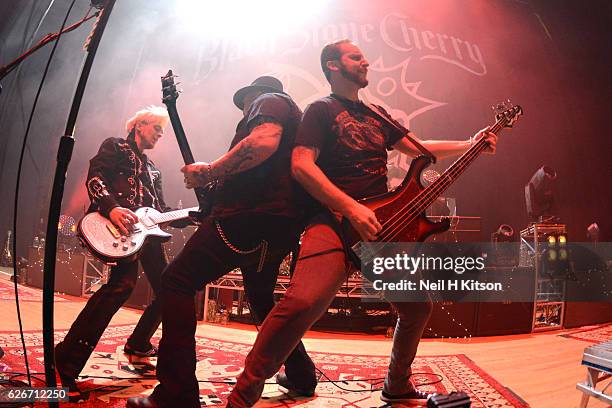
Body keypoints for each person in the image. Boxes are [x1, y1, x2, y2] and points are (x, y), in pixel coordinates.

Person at [227, 39, 498, 407]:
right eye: (356, 57)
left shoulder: (378, 114)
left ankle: (397, 385)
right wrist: (350, 208)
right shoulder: (320, 110)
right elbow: (301, 165)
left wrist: (471, 142)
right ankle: (242, 396)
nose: (365, 61)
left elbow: (420, 147)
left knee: (417, 307)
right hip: (334, 219)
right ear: (334, 66)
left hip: (380, 226)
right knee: (303, 301)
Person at [126, 76, 316, 408]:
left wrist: (209, 171)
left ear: (253, 98)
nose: (244, 112)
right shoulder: (292, 118)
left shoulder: (268, 100)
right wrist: (210, 204)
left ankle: (176, 395)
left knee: (176, 282)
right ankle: (301, 375)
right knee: (260, 298)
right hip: (276, 228)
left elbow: (262, 144)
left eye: (245, 104)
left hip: (246, 221)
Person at [55, 105, 178, 400]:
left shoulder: (153, 170)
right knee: (122, 286)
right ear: (140, 125)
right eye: (157, 129)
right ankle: (66, 358)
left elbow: (160, 211)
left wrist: (194, 214)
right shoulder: (115, 146)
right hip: (118, 227)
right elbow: (95, 179)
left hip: (146, 234)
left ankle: (139, 343)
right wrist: (112, 208)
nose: (161, 135)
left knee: (171, 290)